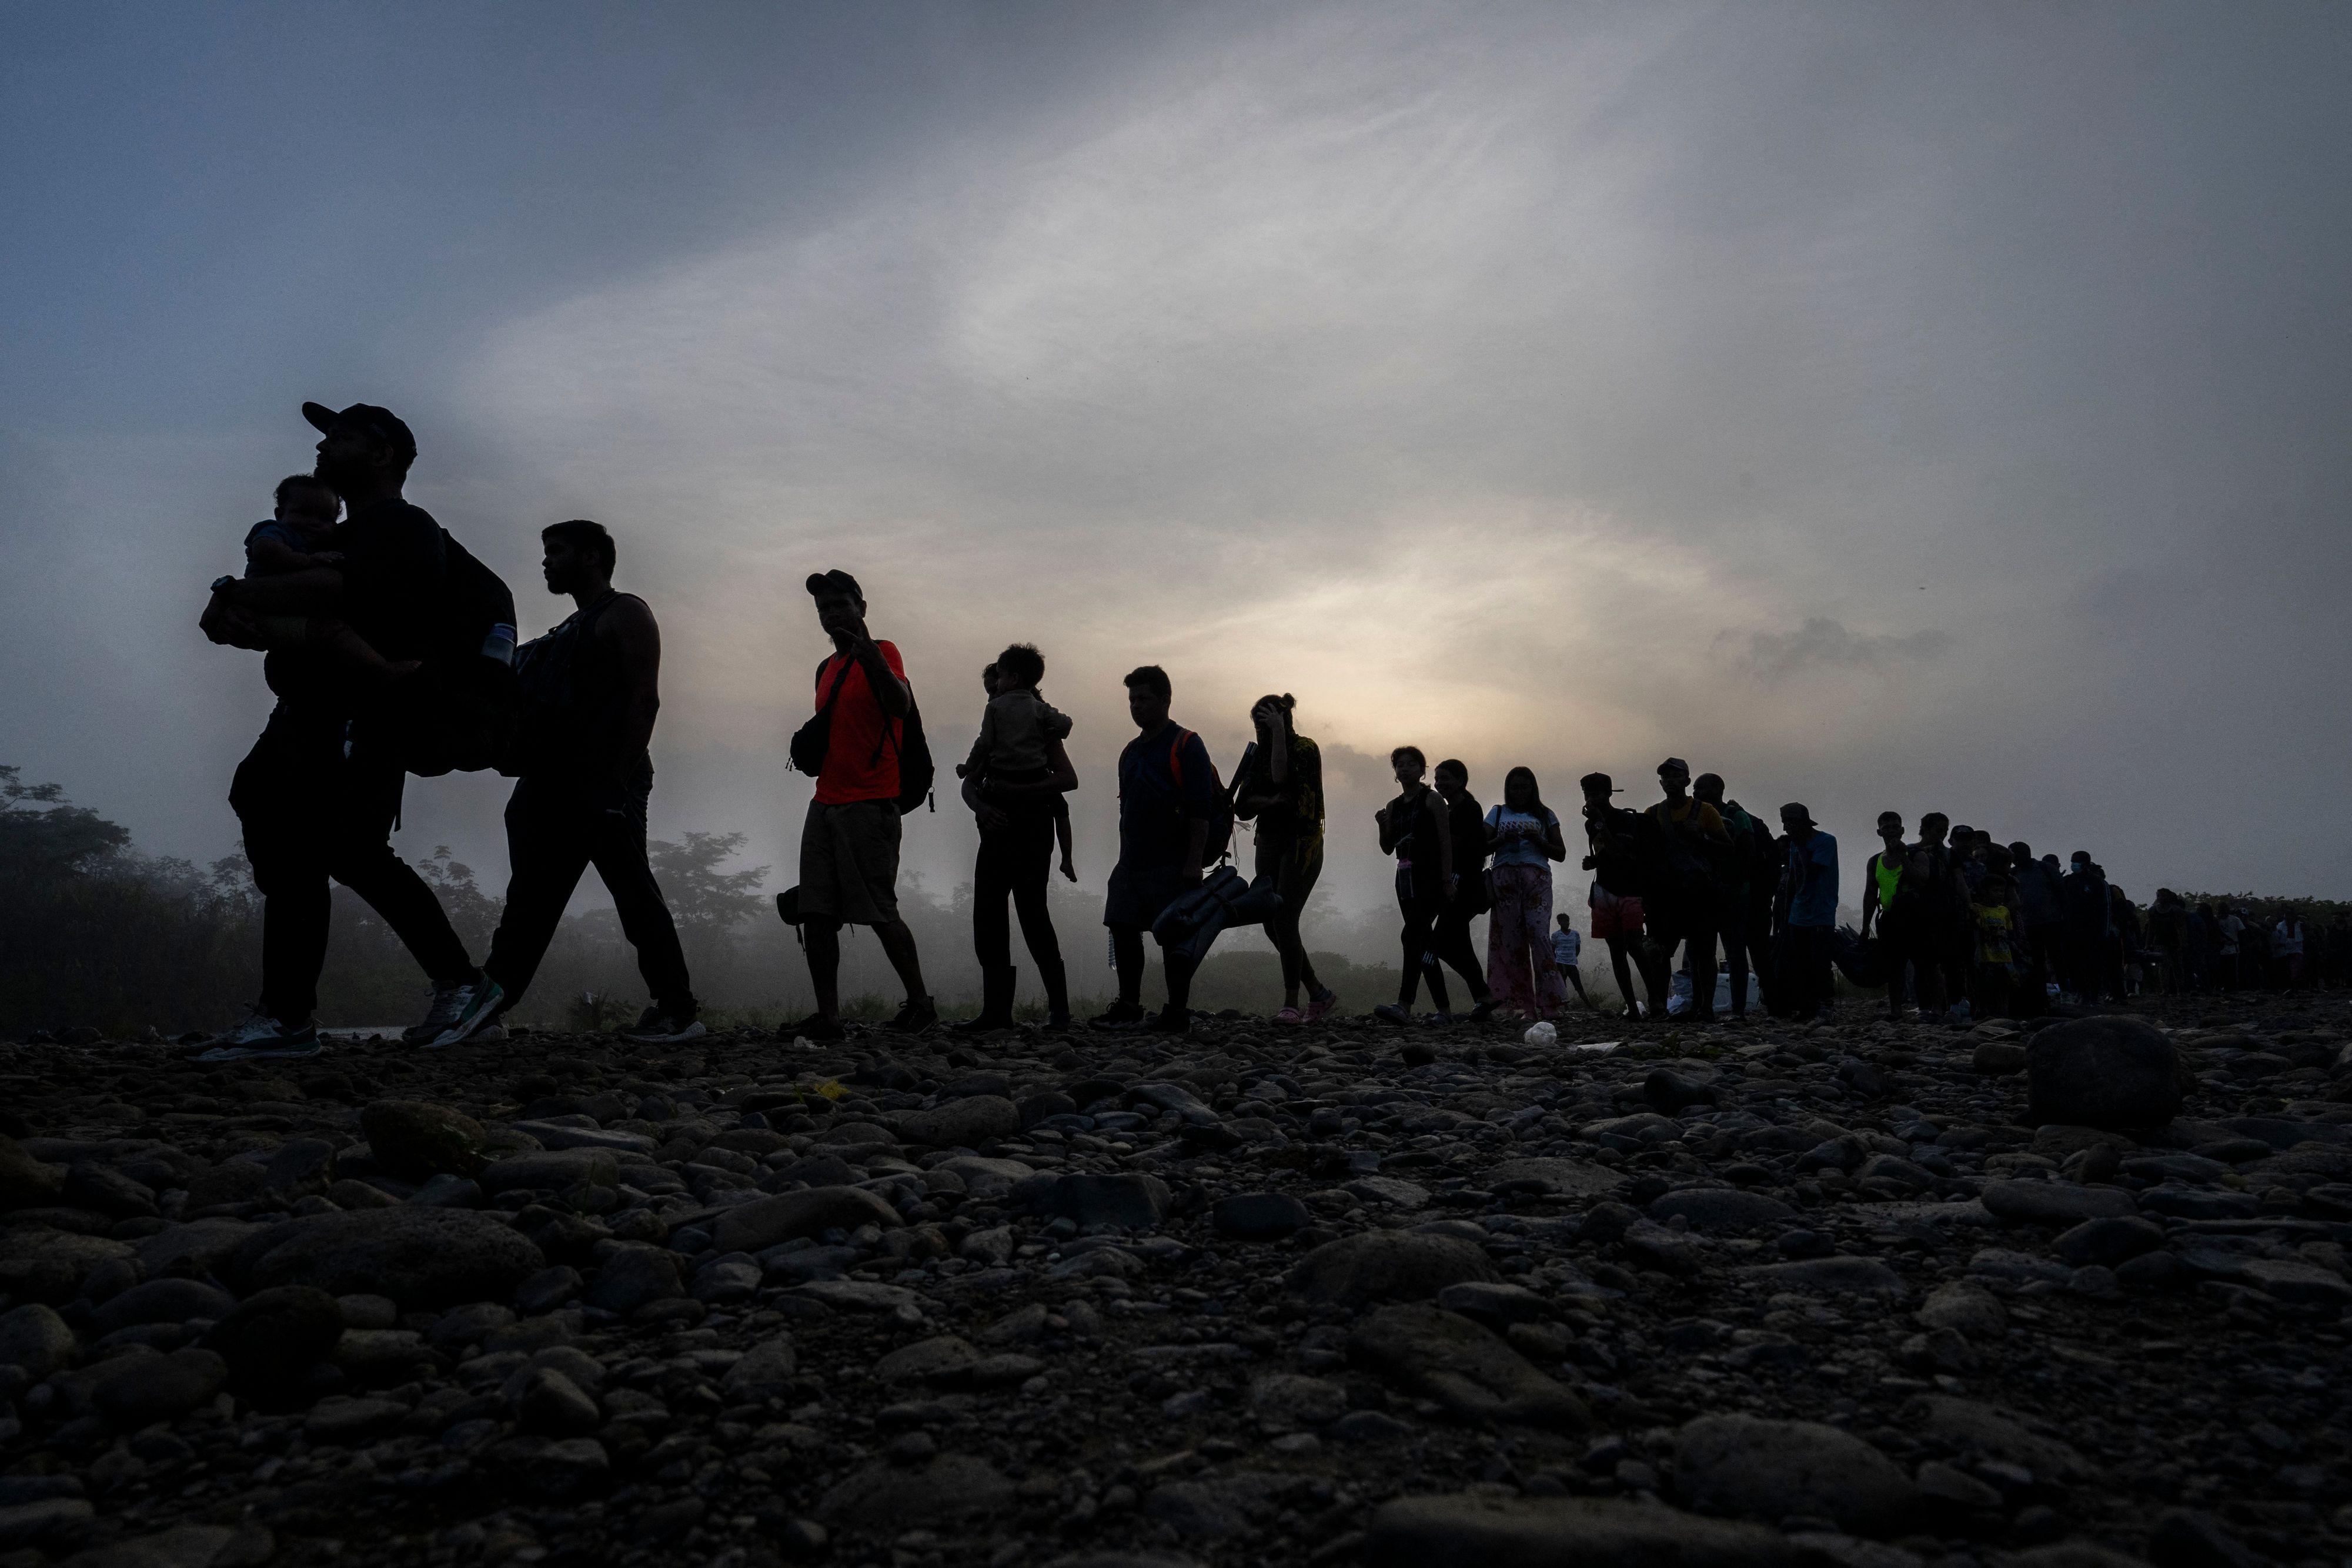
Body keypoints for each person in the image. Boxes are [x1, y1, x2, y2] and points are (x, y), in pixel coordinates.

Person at [193, 402, 490, 1059]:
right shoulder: (349, 531)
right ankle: (288, 1017)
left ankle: (458, 987)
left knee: (347, 850)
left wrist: (232, 597)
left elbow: (327, 594)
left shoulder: (400, 527)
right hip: (307, 711)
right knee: (277, 820)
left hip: (363, 714)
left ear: (381, 454)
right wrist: (234, 607)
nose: (323, 448)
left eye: (341, 437)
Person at [437, 520, 701, 1047]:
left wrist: (617, 783)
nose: (546, 561)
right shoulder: (568, 630)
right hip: (553, 779)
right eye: (545, 552)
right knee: (530, 900)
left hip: (603, 780)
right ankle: (488, 1007)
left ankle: (677, 1010)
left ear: (592, 557)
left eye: (556, 551)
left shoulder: (625, 612)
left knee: (632, 893)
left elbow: (644, 700)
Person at [784, 570, 934, 1041]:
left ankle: (920, 1004)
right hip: (826, 800)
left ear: (861, 607)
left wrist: (868, 654)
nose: (831, 615)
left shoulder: (885, 652)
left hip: (871, 802)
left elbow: (900, 704)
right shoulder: (824, 669)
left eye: (840, 605)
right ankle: (829, 1018)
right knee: (816, 912)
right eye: (824, 609)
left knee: (879, 910)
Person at [955, 645, 1076, 1033]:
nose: (993, 697)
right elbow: (969, 784)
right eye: (990, 692)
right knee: (988, 915)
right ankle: (997, 1013)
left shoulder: (1038, 729)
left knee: (1032, 913)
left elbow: (1067, 779)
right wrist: (982, 808)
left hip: (1030, 827)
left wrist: (1016, 792)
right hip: (996, 830)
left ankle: (1059, 1011)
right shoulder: (1000, 725)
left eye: (998, 687)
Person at [1097, 666, 1221, 1034]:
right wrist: (1123, 859)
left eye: (1144, 699)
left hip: (1174, 860)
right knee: (1121, 925)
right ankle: (1129, 1006)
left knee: (1173, 937)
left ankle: (1176, 1011)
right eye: (1132, 700)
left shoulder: (1187, 744)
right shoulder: (1130, 753)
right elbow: (1125, 810)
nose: (1137, 706)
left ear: (1166, 699)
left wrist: (1194, 864)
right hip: (1133, 860)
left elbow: (1201, 811)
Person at [225, 474, 419, 684]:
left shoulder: (325, 543)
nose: (314, 523)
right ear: (280, 514)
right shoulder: (276, 531)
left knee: (330, 633)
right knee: (331, 632)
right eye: (303, 513)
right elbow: (265, 549)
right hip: (265, 613)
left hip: (283, 613)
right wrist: (307, 561)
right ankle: (382, 670)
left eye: (326, 519)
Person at [1232, 694, 1336, 1024]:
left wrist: (1279, 734)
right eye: (1259, 725)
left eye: (1270, 723)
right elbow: (1243, 804)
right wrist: (1271, 801)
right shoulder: (1256, 754)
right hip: (1268, 840)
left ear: (1284, 719)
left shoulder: (1305, 749)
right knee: (1269, 918)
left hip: (1301, 842)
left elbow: (1284, 785)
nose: (1263, 731)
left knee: (1284, 916)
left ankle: (1292, 1001)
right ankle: (1318, 992)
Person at [1639, 758, 1727, 1021]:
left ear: (1688, 781)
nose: (1670, 781)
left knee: (1704, 953)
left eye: (1676, 776)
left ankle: (1705, 1008)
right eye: (1666, 777)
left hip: (1700, 893)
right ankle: (1661, 1008)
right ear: (1661, 783)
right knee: (1661, 953)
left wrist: (1702, 837)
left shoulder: (1706, 812)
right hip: (1664, 896)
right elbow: (1643, 857)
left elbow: (1728, 849)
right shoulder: (1652, 814)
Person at [1374, 746, 1455, 1024]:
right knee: (1420, 940)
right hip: (1405, 877)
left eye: (1412, 764)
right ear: (1395, 773)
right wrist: (1382, 826)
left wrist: (1447, 880)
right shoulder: (1393, 806)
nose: (1405, 769)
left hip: (1430, 876)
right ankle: (1443, 1010)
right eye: (1400, 765)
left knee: (1412, 937)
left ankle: (1404, 1004)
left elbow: (1446, 842)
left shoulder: (1432, 800)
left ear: (1423, 771)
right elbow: (1387, 848)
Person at [1484, 767, 1570, 1020]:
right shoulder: (1497, 813)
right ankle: (1526, 1007)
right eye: (1514, 787)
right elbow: (1480, 846)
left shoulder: (1545, 815)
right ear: (1507, 790)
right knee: (1512, 943)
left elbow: (1560, 853)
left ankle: (1551, 1003)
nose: (1519, 792)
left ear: (1533, 789)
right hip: (1505, 880)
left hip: (1537, 880)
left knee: (1540, 937)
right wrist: (1502, 840)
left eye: (1524, 787)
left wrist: (1538, 841)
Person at [1579, 773, 1656, 1018]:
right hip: (1605, 890)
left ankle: (1656, 1001)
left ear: (1609, 793)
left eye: (1597, 793)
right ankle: (1632, 1007)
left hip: (1630, 890)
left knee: (1635, 945)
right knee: (1616, 951)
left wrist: (1601, 822)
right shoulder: (1590, 823)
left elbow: (1620, 853)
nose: (1592, 798)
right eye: (1588, 794)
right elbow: (1605, 853)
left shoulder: (1625, 820)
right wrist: (1593, 861)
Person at [1429, 760, 1497, 1022]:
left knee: (1437, 945)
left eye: (1445, 778)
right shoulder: (1450, 809)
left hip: (1463, 885)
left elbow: (1468, 847)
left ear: (1460, 781)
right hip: (1455, 884)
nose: (1440, 783)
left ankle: (1470, 1001)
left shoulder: (1468, 808)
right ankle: (1483, 998)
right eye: (1437, 778)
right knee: (1459, 944)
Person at [1695, 773, 1763, 1019]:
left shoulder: (1737, 816)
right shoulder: (1700, 815)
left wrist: (1733, 882)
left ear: (1717, 789)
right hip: (1706, 893)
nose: (1695, 793)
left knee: (1734, 952)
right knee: (1703, 952)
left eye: (1700, 788)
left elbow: (1749, 854)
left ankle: (1738, 1010)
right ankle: (1704, 1008)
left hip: (1734, 894)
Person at [1863, 811, 1942, 1020]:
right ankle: (1896, 1010)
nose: (1891, 831)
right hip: (1889, 920)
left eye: (1895, 827)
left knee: (1927, 964)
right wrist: (1864, 926)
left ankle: (1937, 1009)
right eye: (1886, 827)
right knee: (1894, 967)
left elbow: (1921, 880)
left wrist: (1903, 858)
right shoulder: (1875, 862)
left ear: (1903, 830)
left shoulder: (1917, 855)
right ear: (1879, 832)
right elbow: (1871, 894)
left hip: (1917, 918)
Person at [1777, 803, 1839, 1022]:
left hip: (1821, 911)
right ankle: (1806, 1007)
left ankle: (1824, 1006)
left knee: (1820, 963)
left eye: (1791, 824)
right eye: (1786, 824)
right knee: (1800, 962)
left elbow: (1812, 872)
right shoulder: (1795, 845)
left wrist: (1801, 846)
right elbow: (1795, 878)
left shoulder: (1826, 842)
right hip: (1798, 913)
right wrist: (1786, 913)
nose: (1788, 829)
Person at [1968, 845, 2022, 1019]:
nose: (1999, 894)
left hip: (2004, 955)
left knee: (2006, 985)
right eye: (1995, 891)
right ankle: (1983, 1012)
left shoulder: (2004, 911)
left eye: (2001, 891)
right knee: (1984, 985)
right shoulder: (1978, 909)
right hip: (1985, 955)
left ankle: (2003, 1014)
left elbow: (2009, 932)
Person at [2010, 841, 2064, 1012]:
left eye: (2016, 856)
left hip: (2052, 922)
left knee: (2058, 959)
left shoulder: (2045, 869)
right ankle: (2041, 998)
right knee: (2037, 963)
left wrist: (2066, 919)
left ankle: (2067, 992)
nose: (2014, 860)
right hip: (2028, 925)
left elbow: (2062, 894)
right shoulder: (2014, 873)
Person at [2059, 851, 2112, 1004]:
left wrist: (2105, 933)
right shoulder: (2067, 881)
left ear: (2086, 864)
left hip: (2093, 932)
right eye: (2072, 861)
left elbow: (2107, 908)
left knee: (2093, 965)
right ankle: (2082, 993)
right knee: (2073, 965)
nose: (2074, 864)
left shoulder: (2098, 883)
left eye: (2077, 862)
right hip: (2071, 931)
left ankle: (2093, 995)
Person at [1552, 912, 1594, 1009]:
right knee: (1562, 986)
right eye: (1564, 921)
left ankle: (1590, 1006)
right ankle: (1565, 1007)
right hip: (1560, 964)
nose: (1567, 923)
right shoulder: (1556, 935)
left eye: (1568, 921)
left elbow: (1578, 948)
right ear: (1559, 923)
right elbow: (1552, 949)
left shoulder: (1575, 934)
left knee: (1578, 985)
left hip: (1571, 964)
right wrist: (1557, 960)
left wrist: (1573, 957)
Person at [2274, 912, 2308, 989]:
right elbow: (2277, 935)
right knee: (2286, 968)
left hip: (2297, 948)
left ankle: (2297, 986)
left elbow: (2307, 931)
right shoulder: (2281, 925)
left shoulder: (2300, 925)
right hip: (2284, 948)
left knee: (2297, 968)